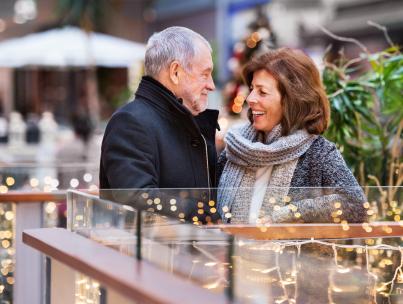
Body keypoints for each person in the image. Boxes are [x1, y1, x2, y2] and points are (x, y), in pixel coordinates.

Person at [217, 48, 367, 224]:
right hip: (232, 252)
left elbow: (357, 206)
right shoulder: (236, 148)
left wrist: (290, 213)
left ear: (291, 100)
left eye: (262, 92)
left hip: (293, 253)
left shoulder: (319, 154)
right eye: (251, 89)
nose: (249, 98)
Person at [99, 27, 220, 220]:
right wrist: (199, 214)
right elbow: (135, 196)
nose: (211, 85)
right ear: (175, 72)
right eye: (205, 74)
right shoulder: (130, 121)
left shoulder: (187, 119)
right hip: (148, 249)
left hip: (191, 247)